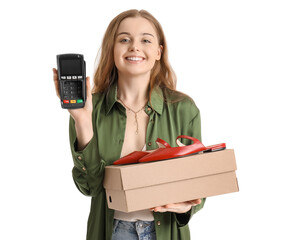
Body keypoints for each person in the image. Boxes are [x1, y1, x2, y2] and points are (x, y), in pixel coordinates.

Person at [53, 9, 205, 240]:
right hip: (112, 231)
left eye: (145, 40)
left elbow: (199, 180)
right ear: (112, 50)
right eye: (124, 39)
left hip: (166, 232)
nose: (134, 47)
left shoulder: (183, 109)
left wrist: (188, 205)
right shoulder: (89, 109)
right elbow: (89, 187)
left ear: (158, 52)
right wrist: (82, 121)